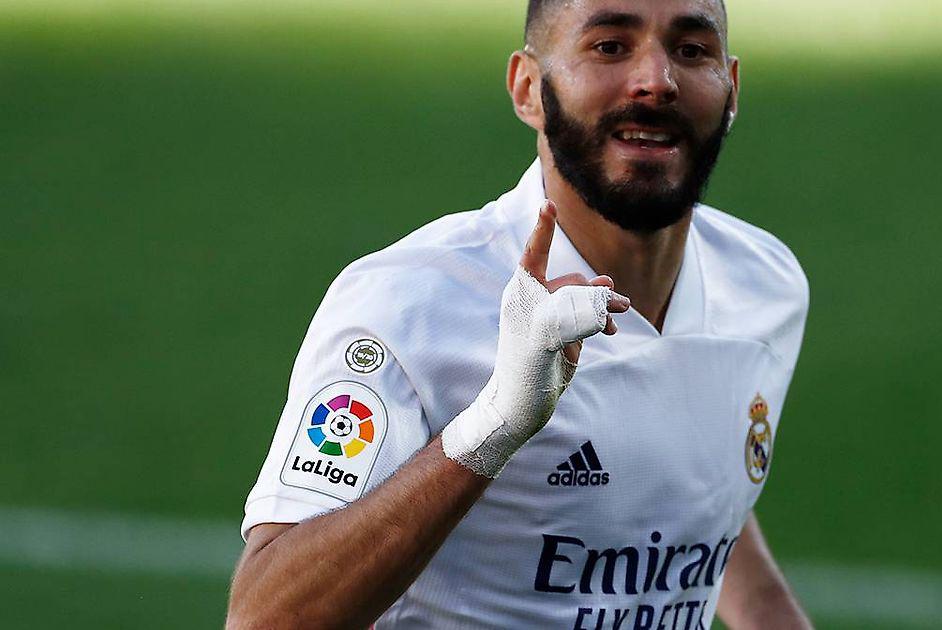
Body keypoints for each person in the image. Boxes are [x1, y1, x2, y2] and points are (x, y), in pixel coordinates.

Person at [227, 0, 812, 628]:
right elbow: (263, 618)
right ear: (528, 88)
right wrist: (494, 426)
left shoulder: (763, 285)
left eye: (691, 51)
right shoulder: (412, 304)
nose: (656, 80)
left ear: (731, 90)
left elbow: (695, 498)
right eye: (610, 46)